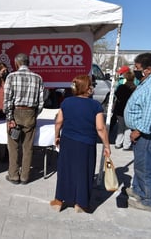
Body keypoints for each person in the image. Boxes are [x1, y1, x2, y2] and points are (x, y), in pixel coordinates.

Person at [50, 75, 111, 213]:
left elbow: (59, 121)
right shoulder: (95, 105)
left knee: (65, 170)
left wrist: (56, 136)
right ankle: (81, 203)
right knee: (85, 172)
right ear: (87, 88)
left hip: (68, 140)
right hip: (86, 143)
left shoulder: (66, 102)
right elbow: (100, 128)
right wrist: (107, 146)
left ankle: (59, 200)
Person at [3, 53, 44, 185]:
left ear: (16, 63)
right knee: (28, 147)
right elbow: (41, 101)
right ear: (28, 63)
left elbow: (7, 99)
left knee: (13, 146)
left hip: (15, 111)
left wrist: (10, 117)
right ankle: (25, 176)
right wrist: (34, 113)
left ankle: (14, 175)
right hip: (30, 112)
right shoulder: (38, 78)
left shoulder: (11, 76)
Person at [124, 52, 151, 212]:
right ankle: (138, 190)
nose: (135, 71)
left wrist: (139, 130)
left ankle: (149, 200)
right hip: (141, 132)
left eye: (137, 68)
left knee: (147, 166)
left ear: (148, 69)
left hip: (147, 133)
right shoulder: (147, 81)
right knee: (140, 164)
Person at [113, 70, 136, 150]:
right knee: (128, 128)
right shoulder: (135, 88)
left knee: (120, 127)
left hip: (120, 109)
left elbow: (116, 94)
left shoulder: (121, 87)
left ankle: (118, 143)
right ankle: (126, 145)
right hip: (130, 110)